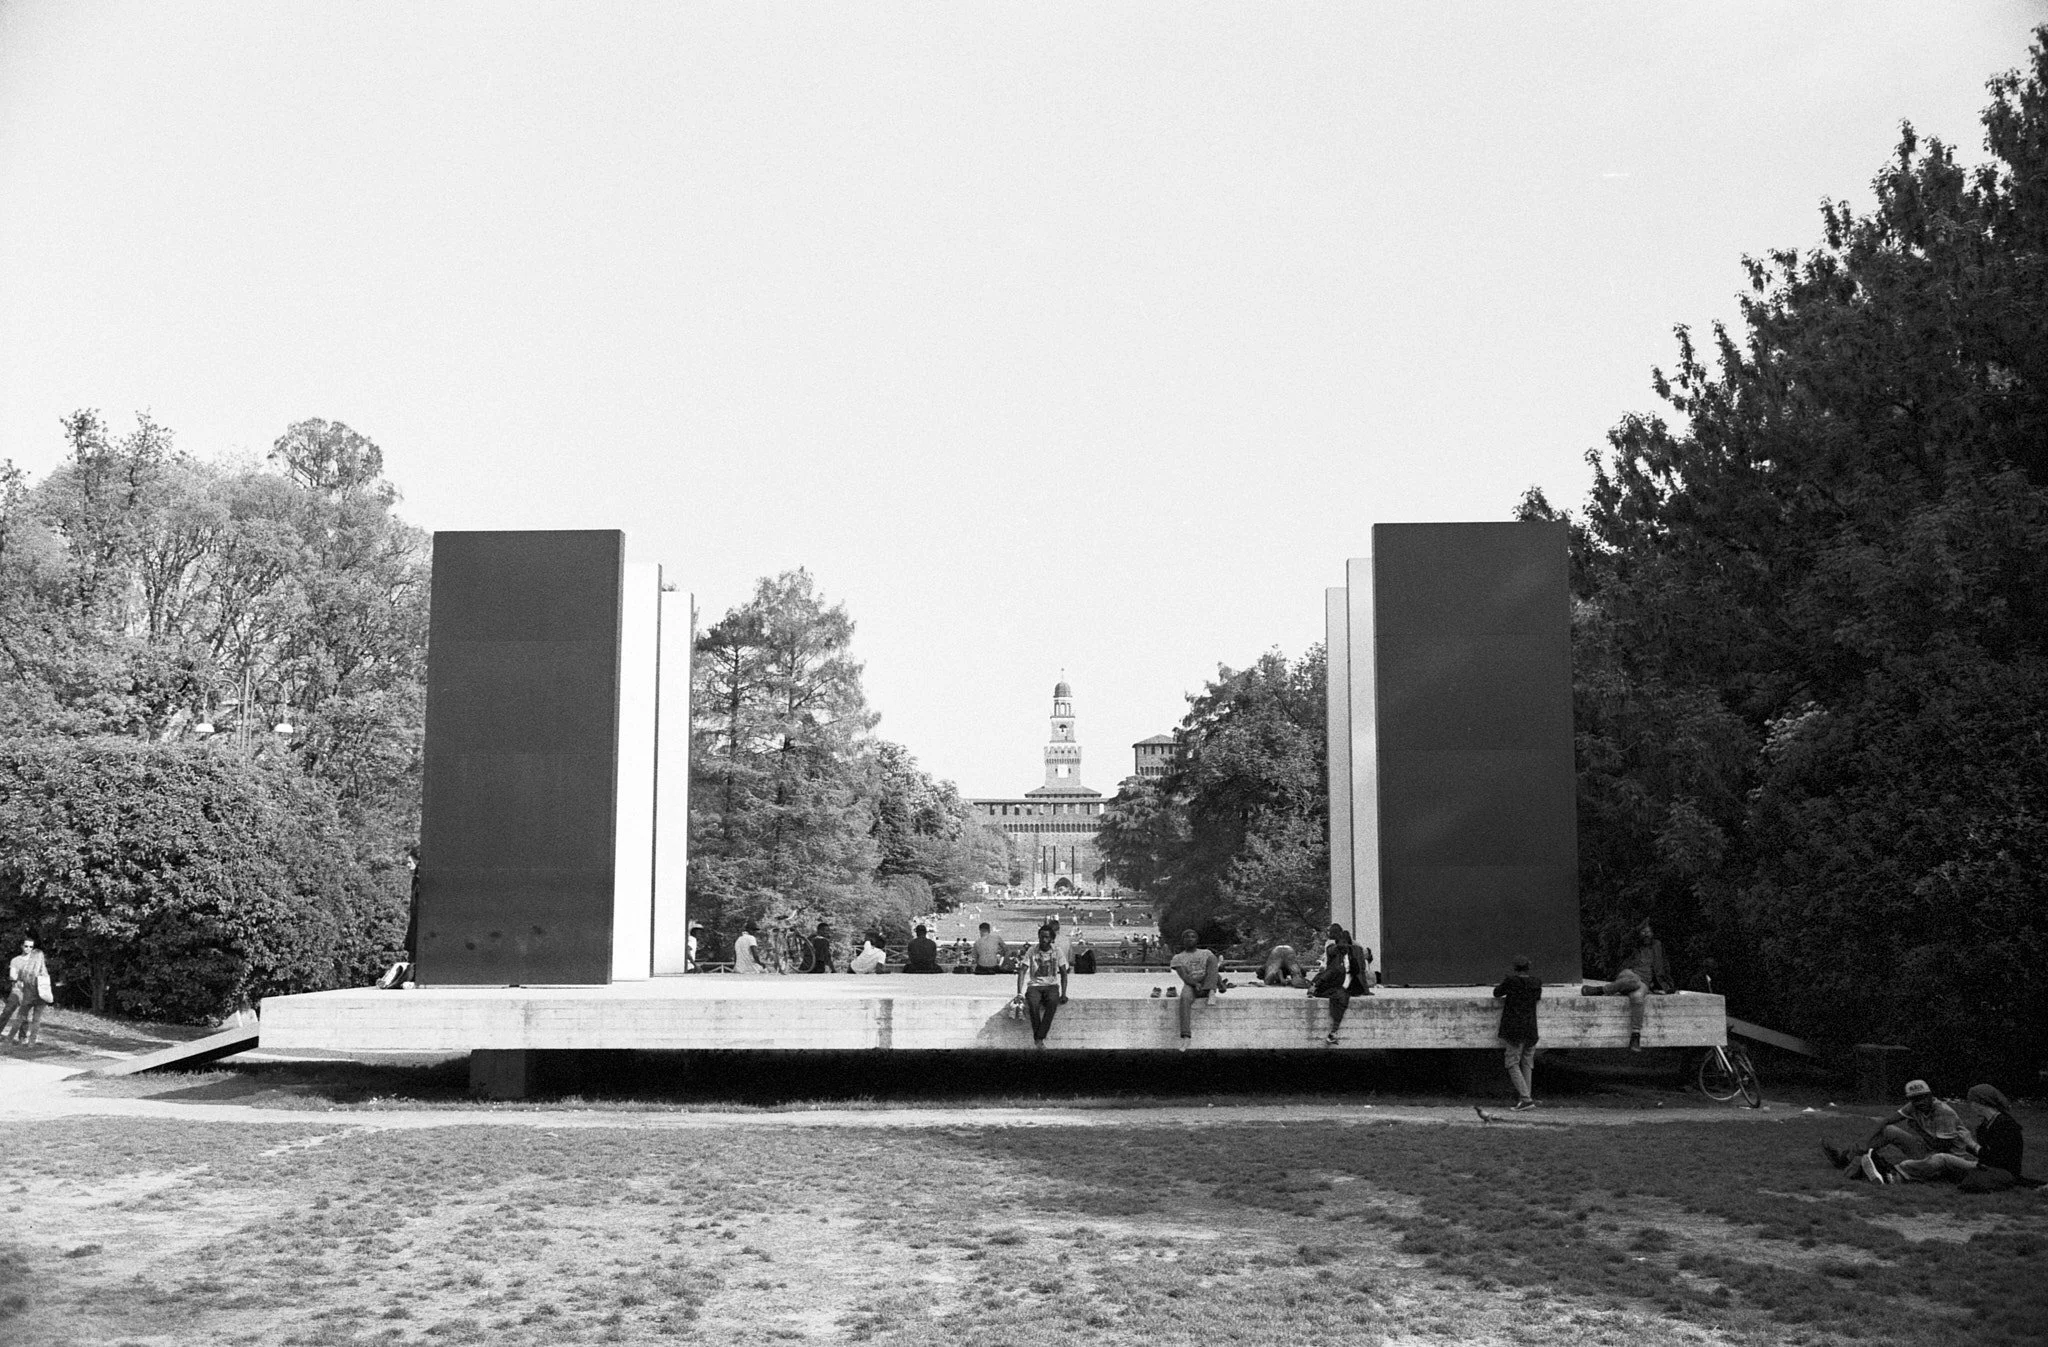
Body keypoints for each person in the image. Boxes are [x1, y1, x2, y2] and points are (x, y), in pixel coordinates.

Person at [1858, 1080, 1980, 1182]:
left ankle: (1890, 1174)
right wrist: (1865, 1141)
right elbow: (1885, 1120)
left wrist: (1918, 1130)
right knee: (1889, 1130)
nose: (1920, 1102)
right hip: (1930, 1151)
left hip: (1949, 1158)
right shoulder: (1913, 1106)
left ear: (1930, 1096)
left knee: (1931, 1160)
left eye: (1922, 1097)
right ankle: (1855, 1157)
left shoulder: (1943, 1112)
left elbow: (1942, 1147)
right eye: (1915, 1099)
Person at [1580, 921, 1675, 1050]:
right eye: (1643, 931)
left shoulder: (1657, 946)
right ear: (1638, 933)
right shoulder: (1632, 946)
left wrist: (1668, 987)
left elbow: (1665, 968)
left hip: (1644, 982)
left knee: (1637, 996)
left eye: (1649, 932)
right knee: (1634, 980)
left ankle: (1635, 1036)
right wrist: (1634, 936)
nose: (1646, 934)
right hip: (1628, 974)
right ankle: (1602, 989)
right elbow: (1623, 950)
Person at [1959, 1084, 2040, 1190]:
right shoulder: (1985, 1125)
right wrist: (1964, 1142)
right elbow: (1985, 1155)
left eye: (1972, 1101)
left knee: (1970, 1183)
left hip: (2005, 1171)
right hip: (1988, 1167)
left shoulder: (2005, 1125)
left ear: (1981, 1103)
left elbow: (1996, 1159)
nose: (1971, 1105)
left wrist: (1971, 1144)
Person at [1493, 956, 1543, 1109]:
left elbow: (1497, 993)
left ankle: (1526, 1098)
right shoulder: (1536, 982)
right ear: (1528, 967)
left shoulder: (1511, 982)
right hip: (1531, 1027)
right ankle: (1527, 1097)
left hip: (1514, 1028)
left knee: (1512, 1063)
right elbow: (1537, 998)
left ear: (1515, 968)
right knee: (1527, 1063)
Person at [1308, 924, 1371, 1045]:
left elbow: (1358, 970)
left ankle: (1333, 1032)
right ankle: (1333, 1032)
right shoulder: (1335, 951)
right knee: (1340, 997)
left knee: (1341, 997)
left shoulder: (1353, 952)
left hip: (1344, 984)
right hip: (1335, 983)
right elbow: (1333, 969)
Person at [1014, 924, 1070, 1047]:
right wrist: (1019, 993)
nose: (1043, 940)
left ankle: (1039, 1037)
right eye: (1041, 937)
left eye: (1046, 937)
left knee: (1052, 1003)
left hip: (1051, 985)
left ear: (1052, 939)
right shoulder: (1032, 951)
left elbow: (1064, 973)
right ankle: (1039, 1038)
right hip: (1035, 985)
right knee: (1033, 1004)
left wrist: (1064, 994)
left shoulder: (1057, 951)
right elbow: (1022, 971)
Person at [1167, 930, 1222, 1044]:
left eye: (1193, 937)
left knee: (1212, 959)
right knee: (1184, 999)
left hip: (1207, 981)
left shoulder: (1206, 953)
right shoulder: (1178, 957)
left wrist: (1208, 984)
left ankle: (1212, 990)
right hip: (1192, 984)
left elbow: (1211, 970)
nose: (1190, 939)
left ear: (1197, 940)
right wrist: (1195, 984)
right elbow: (1184, 976)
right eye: (1187, 937)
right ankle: (1186, 1036)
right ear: (1183, 940)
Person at [2, 937, 49, 1045]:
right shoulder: (17, 960)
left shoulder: (29, 968)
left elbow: (20, 980)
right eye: (26, 946)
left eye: (31, 947)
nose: (28, 948)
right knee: (33, 1019)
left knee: (21, 1017)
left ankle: (14, 1039)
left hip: (28, 994)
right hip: (31, 995)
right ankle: (30, 1043)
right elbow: (12, 976)